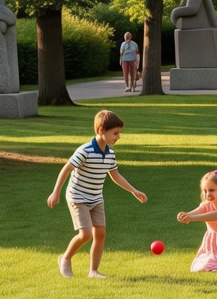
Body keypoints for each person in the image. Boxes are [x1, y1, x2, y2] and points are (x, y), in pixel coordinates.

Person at [47, 110, 147, 279]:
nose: (118, 137)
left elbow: (115, 175)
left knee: (100, 234)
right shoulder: (85, 150)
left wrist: (134, 190)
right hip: (78, 197)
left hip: (96, 198)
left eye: (119, 133)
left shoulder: (110, 153)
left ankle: (93, 271)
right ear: (101, 131)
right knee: (86, 234)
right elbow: (66, 169)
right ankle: (65, 258)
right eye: (115, 133)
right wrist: (55, 191)